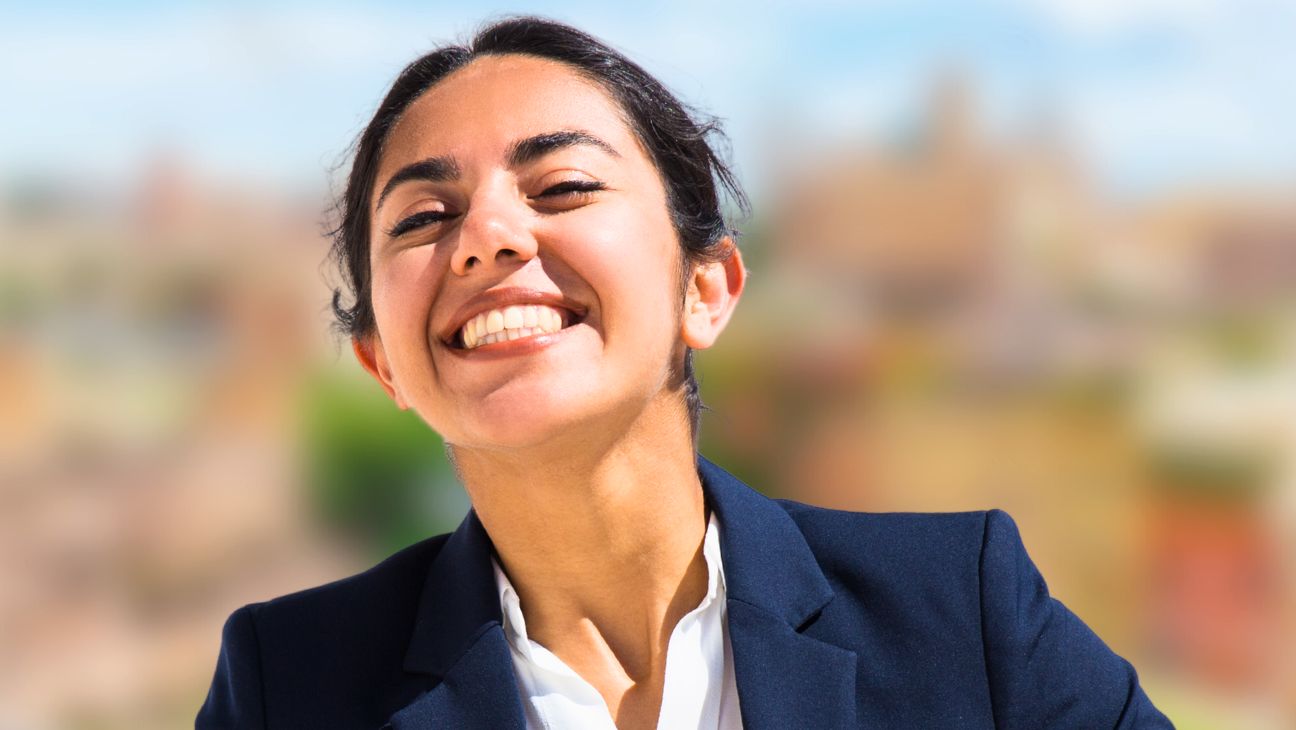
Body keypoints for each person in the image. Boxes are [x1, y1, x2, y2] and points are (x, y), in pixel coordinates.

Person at [197, 16, 1172, 730]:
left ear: (707, 288)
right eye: (420, 218)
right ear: (383, 365)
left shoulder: (961, 614)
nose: (487, 237)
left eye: (564, 186)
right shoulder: (290, 684)